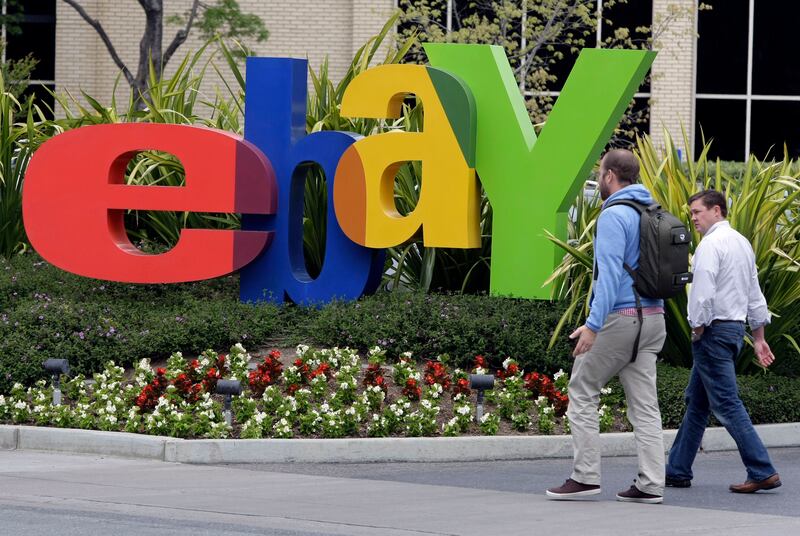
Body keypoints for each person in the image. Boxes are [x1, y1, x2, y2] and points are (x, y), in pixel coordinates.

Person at [546, 149, 667, 504]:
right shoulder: (652, 211)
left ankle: (585, 477)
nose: (599, 179)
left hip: (620, 318)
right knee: (645, 406)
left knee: (582, 390)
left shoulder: (615, 214)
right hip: (654, 319)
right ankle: (651, 484)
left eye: (600, 173)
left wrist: (592, 325)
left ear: (611, 175)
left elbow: (610, 275)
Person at [665, 190, 781, 493]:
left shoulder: (710, 245)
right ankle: (677, 470)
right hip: (732, 331)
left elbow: (701, 292)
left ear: (717, 210)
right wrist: (759, 337)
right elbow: (754, 292)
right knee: (697, 402)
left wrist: (697, 328)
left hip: (713, 332)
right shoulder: (742, 244)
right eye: (691, 213)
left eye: (697, 212)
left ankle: (762, 469)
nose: (693, 218)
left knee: (727, 404)